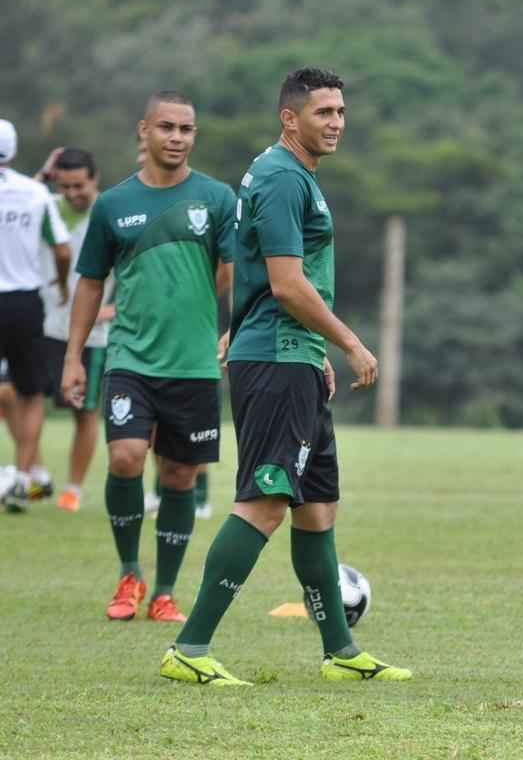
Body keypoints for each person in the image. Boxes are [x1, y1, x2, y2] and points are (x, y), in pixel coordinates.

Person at [161, 67, 411, 686]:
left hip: (291, 352)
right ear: (289, 118)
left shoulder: (296, 176)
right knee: (266, 501)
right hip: (274, 358)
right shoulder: (278, 176)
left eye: (341, 112)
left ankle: (340, 651)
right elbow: (286, 283)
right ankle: (189, 647)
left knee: (317, 507)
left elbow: (282, 288)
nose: (335, 123)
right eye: (323, 112)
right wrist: (348, 341)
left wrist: (312, 346)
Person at [61, 92, 234, 622]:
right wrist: (73, 357)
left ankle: (164, 591)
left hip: (195, 365)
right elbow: (90, 285)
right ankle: (129, 574)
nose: (177, 137)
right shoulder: (113, 204)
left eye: (186, 129)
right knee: (125, 457)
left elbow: (236, 273)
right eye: (167, 127)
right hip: (130, 358)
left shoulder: (218, 199)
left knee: (180, 476)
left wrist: (229, 326)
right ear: (144, 132)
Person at [33, 148, 115, 512]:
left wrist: (114, 309)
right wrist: (42, 176)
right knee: (21, 399)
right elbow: (11, 201)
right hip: (46, 326)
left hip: (92, 335)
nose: (71, 194)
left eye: (78, 185)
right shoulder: (46, 205)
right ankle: (34, 477)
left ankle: (72, 491)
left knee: (86, 412)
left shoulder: (112, 213)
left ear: (94, 179)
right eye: (64, 186)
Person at [0, 118, 71, 513]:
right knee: (30, 395)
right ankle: (24, 479)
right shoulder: (35, 192)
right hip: (25, 301)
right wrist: (60, 287)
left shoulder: (33, 188)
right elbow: (62, 250)